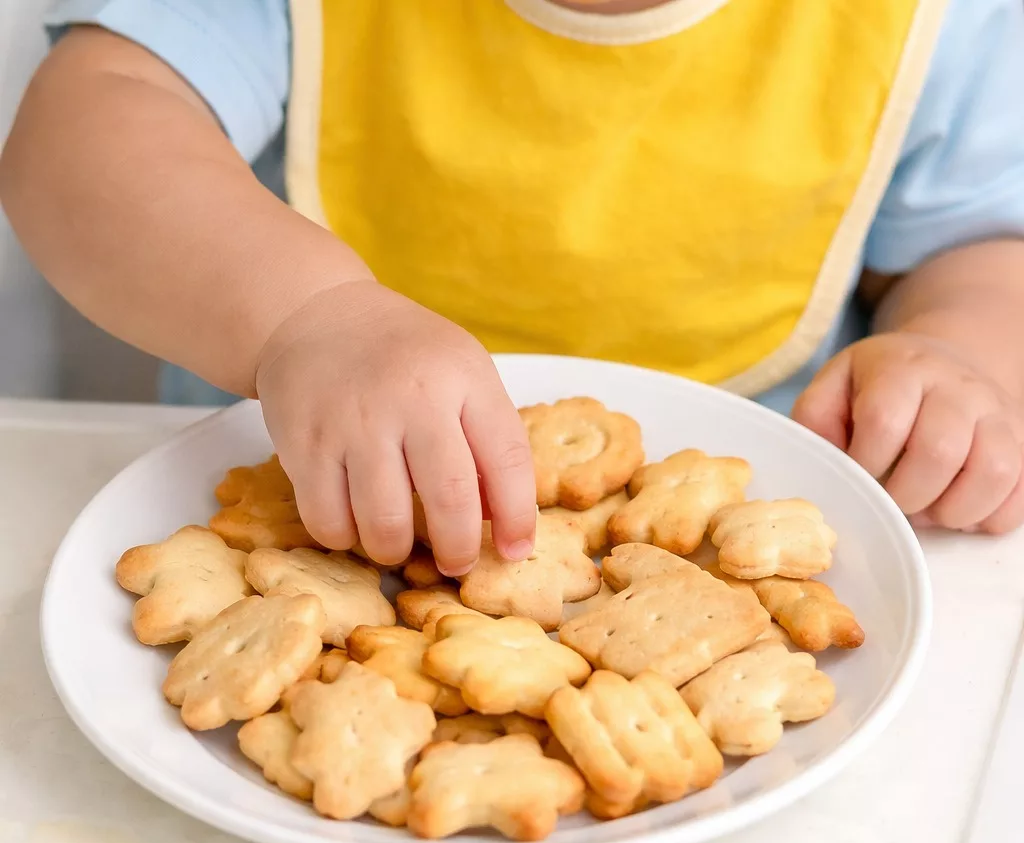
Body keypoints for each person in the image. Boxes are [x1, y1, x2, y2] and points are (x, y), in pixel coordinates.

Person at [3, 0, 1024, 578]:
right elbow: (82, 138)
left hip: (738, 539)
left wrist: (956, 358)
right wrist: (303, 317)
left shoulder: (947, 21)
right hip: (292, 493)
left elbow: (978, 246)